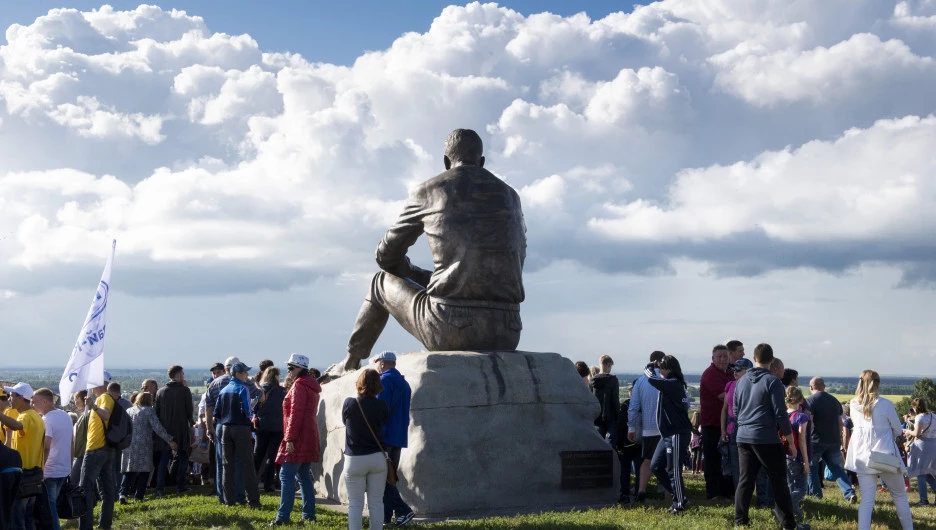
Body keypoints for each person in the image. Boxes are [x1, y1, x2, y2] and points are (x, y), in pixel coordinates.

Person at [324, 129, 526, 379]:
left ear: (446, 162)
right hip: (508, 330)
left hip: (450, 328)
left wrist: (407, 271)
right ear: (482, 162)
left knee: (379, 282)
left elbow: (385, 257)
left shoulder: (431, 189)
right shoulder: (511, 197)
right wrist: (422, 276)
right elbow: (507, 264)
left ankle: (351, 362)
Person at [732, 344, 805, 530]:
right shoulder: (773, 382)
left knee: (745, 479)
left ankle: (740, 520)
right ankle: (789, 523)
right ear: (772, 361)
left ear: (754, 359)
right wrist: (790, 441)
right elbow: (781, 414)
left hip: (743, 435)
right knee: (779, 480)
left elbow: (735, 410)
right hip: (765, 437)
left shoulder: (741, 381)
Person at [844, 370, 913, 530]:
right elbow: (897, 429)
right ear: (877, 384)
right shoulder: (885, 404)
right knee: (900, 496)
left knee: (867, 500)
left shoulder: (853, 404)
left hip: (862, 456)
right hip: (885, 455)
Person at [270, 354, 321, 526]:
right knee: (303, 475)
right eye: (288, 368)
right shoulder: (311, 385)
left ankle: (283, 517)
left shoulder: (299, 385)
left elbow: (295, 414)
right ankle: (309, 514)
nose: (289, 371)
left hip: (298, 436)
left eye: (292, 368)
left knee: (286, 475)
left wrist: (289, 438)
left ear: (301, 369)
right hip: (309, 434)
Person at [644, 356, 693, 514]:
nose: (660, 371)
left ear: (670, 370)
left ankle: (679, 503)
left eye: (662, 368)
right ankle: (678, 495)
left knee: (674, 470)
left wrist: (650, 366)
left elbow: (652, 379)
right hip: (667, 433)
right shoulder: (671, 384)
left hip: (677, 432)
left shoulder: (673, 384)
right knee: (656, 466)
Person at [373, 351, 415, 527]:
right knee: (390, 477)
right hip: (399, 437)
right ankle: (386, 516)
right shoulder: (405, 384)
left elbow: (379, 412)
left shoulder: (382, 382)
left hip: (384, 437)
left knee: (382, 479)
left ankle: (403, 510)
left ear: (382, 363)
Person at [343, 369, 390, 530]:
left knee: (355, 504)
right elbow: (383, 422)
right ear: (378, 385)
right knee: (376, 502)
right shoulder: (382, 405)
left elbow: (345, 421)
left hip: (355, 458)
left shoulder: (350, 403)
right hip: (377, 456)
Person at [214, 362, 261, 508]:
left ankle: (229, 501)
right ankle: (253, 501)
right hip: (240, 428)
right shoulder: (243, 389)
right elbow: (248, 411)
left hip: (225, 428)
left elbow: (217, 412)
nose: (247, 375)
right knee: (247, 464)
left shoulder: (223, 390)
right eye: (245, 373)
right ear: (239, 374)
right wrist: (254, 404)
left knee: (227, 466)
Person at [0, 383, 45, 530]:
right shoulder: (36, 417)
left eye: (12, 396)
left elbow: (17, 426)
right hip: (34, 474)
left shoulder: (26, 416)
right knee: (28, 518)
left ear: (21, 398)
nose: (10, 399)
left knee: (17, 519)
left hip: (23, 475)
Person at [805, 376, 856, 502]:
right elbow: (840, 422)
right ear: (824, 386)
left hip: (816, 439)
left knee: (812, 467)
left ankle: (816, 497)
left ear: (811, 387)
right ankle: (849, 493)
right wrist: (838, 437)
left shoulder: (810, 401)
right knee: (836, 467)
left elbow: (809, 421)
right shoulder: (834, 400)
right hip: (833, 440)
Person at [120, 393, 176, 503]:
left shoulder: (129, 411)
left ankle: (123, 493)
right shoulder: (149, 411)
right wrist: (170, 440)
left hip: (129, 444)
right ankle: (139, 496)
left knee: (129, 471)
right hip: (144, 444)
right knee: (144, 471)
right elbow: (157, 428)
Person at [79, 377, 118, 530]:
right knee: (107, 491)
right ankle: (104, 525)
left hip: (96, 449)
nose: (91, 386)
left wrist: (93, 405)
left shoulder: (104, 397)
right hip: (106, 449)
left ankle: (86, 526)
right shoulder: (104, 398)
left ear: (103, 383)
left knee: (85, 489)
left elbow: (106, 415)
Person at [32, 388, 73, 530]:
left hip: (50, 470)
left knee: (50, 508)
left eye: (34, 401)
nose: (32, 404)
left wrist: (41, 468)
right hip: (64, 467)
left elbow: (46, 446)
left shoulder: (47, 419)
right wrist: (70, 464)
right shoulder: (65, 415)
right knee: (53, 504)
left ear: (44, 402)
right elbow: (71, 442)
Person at [628, 350, 665, 502]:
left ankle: (641, 490)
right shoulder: (667, 378)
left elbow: (634, 406)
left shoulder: (641, 381)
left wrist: (631, 427)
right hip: (666, 428)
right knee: (668, 461)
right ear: (659, 361)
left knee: (647, 460)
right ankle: (667, 493)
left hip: (648, 427)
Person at [700, 344, 734, 500]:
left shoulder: (729, 373)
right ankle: (713, 492)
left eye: (725, 356)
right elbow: (724, 396)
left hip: (726, 424)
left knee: (726, 461)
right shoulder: (710, 374)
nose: (722, 359)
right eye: (719, 356)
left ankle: (726, 491)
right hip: (712, 424)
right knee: (713, 460)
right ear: (712, 358)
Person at [154, 365, 194, 496]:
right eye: (182, 374)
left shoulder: (160, 391)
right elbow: (189, 412)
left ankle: (159, 489)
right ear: (177, 375)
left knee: (164, 459)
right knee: (183, 457)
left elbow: (157, 413)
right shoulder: (185, 391)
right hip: (181, 430)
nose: (183, 376)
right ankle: (180, 486)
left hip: (165, 431)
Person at [721, 357, 752, 489]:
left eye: (738, 370)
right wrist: (723, 430)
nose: (735, 372)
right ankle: (738, 495)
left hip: (748, 427)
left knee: (750, 465)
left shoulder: (753, 386)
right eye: (733, 369)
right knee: (735, 465)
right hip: (732, 428)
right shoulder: (730, 385)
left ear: (748, 371)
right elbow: (724, 409)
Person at [253, 367, 285, 494]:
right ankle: (268, 484)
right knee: (272, 456)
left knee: (258, 454)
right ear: (276, 376)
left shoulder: (260, 390)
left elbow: (254, 407)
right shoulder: (282, 391)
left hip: (262, 425)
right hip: (278, 427)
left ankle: (251, 481)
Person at [785, 386, 810, 525]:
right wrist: (806, 462)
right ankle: (785, 508)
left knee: (790, 486)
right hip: (797, 457)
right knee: (801, 490)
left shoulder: (784, 415)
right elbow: (802, 440)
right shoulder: (801, 417)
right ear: (800, 400)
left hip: (786, 456)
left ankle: (792, 518)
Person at [904, 397, 936, 506]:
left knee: (920, 472)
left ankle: (924, 499)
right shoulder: (933, 416)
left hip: (923, 446)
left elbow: (917, 433)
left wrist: (908, 431)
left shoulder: (919, 417)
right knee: (928, 471)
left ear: (915, 407)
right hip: (933, 444)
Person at [616, 383, 642, 504]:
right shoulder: (644, 405)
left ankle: (624, 494)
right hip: (641, 442)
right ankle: (638, 492)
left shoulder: (626, 405)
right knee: (639, 469)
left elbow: (621, 426)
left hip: (626, 443)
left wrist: (619, 444)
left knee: (625, 469)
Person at [592, 355, 620, 447]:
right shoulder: (613, 380)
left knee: (597, 445)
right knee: (610, 446)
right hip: (610, 417)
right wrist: (618, 416)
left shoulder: (593, 381)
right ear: (608, 365)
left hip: (596, 417)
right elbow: (615, 400)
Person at [70, 390, 90, 484]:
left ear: (81, 399)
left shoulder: (88, 414)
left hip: (83, 452)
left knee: (73, 480)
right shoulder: (83, 415)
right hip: (79, 452)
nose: (75, 402)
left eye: (76, 399)